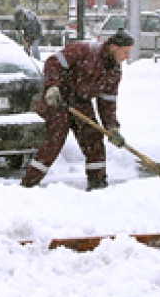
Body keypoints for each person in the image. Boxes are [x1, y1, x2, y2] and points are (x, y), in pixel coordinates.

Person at [21, 29, 134, 191]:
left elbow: (107, 102)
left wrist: (112, 128)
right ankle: (28, 185)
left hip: (81, 103)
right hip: (59, 100)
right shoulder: (84, 51)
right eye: (126, 52)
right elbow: (53, 62)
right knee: (53, 143)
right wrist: (53, 86)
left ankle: (98, 184)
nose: (127, 57)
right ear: (114, 47)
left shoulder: (114, 71)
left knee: (94, 140)